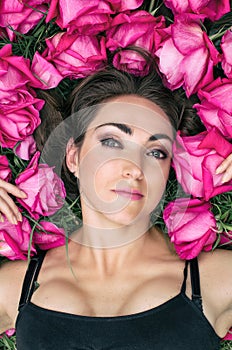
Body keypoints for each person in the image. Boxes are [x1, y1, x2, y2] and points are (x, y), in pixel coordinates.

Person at [0, 59, 232, 350]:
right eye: (111, 141)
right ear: (73, 156)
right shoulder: (13, 286)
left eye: (157, 152)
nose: (134, 168)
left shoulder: (216, 280)